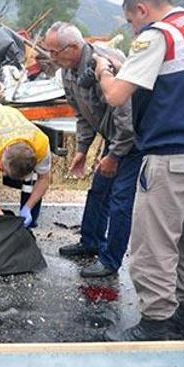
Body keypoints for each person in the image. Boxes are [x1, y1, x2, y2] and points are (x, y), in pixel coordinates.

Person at [95, 0, 184, 341]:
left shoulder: (158, 36)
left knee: (153, 246)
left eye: (131, 21)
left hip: (171, 158)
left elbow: (116, 96)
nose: (133, 29)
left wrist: (106, 72)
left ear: (142, 10)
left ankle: (154, 324)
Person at [42, 21, 141, 278]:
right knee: (99, 189)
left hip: (134, 138)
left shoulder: (105, 63)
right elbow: (82, 114)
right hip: (114, 136)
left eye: (55, 52)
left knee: (120, 199)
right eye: (48, 51)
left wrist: (114, 155)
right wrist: (83, 150)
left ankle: (110, 261)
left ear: (73, 47)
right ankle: (91, 242)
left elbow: (126, 118)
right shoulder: (67, 71)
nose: (51, 57)